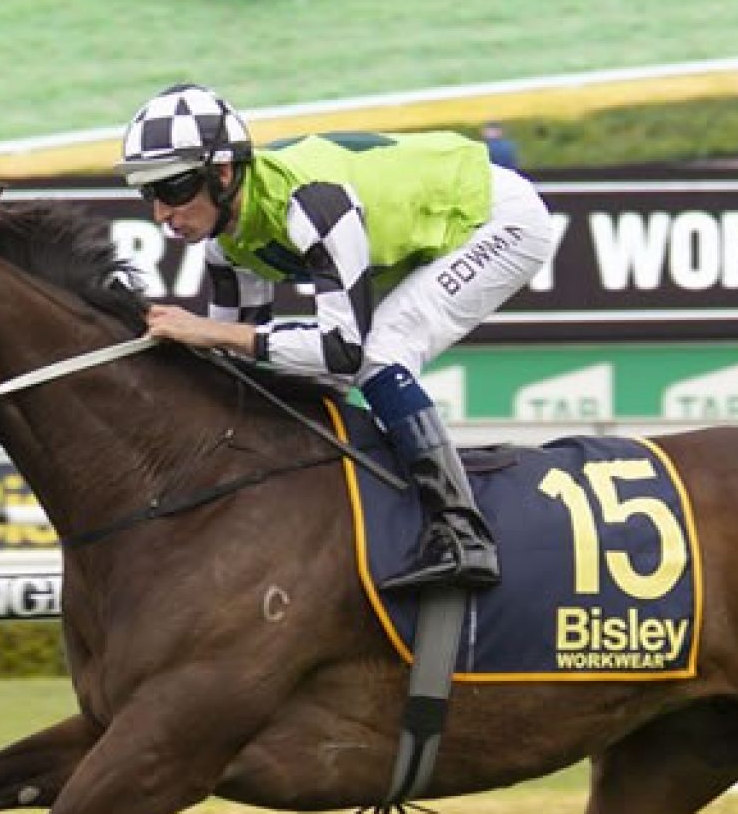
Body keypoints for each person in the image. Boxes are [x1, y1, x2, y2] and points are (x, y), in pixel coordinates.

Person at [117, 83, 556, 592]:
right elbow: (240, 373)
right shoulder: (227, 248)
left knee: (380, 353)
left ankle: (461, 531)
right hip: (423, 229)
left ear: (222, 174)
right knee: (297, 362)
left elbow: (340, 353)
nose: (161, 214)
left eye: (173, 189)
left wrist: (208, 331)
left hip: (498, 219)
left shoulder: (312, 203)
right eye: (150, 193)